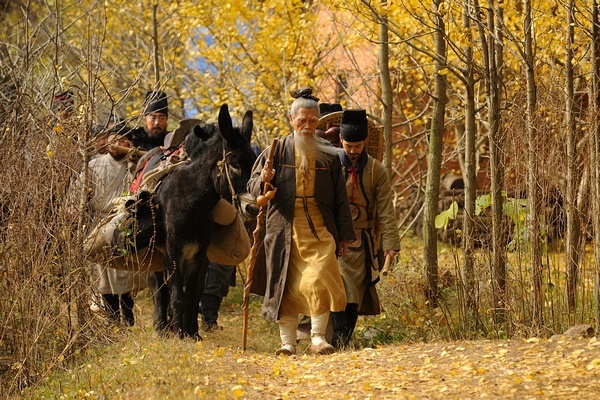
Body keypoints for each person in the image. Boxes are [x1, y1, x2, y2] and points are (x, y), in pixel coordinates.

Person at [247, 87, 356, 356]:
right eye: (302, 121)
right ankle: (287, 343)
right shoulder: (276, 150)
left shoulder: (329, 155)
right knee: (285, 284)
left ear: (318, 121)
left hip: (320, 228)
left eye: (312, 121)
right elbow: (251, 186)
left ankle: (318, 338)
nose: (307, 126)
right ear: (291, 119)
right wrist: (264, 182)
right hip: (283, 229)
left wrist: (343, 235)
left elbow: (341, 198)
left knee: (320, 277)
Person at [331, 109, 401, 348]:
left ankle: (342, 340)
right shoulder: (331, 165)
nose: (352, 151)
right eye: (348, 145)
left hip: (362, 243)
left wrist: (391, 243)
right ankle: (337, 337)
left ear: (364, 143)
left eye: (357, 146)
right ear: (341, 140)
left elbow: (385, 210)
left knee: (354, 296)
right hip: (334, 240)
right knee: (337, 288)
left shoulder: (377, 171)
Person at [84, 127, 137, 325]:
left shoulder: (134, 167)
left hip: (125, 222)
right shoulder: (93, 166)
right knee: (101, 270)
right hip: (99, 222)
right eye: (113, 139)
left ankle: (129, 319)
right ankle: (112, 319)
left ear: (129, 144)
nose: (117, 143)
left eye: (122, 140)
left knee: (125, 271)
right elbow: (79, 192)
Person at [199, 263, 236, 332]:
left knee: (220, 289)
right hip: (212, 259)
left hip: (227, 260)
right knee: (211, 287)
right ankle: (209, 322)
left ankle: (208, 317)